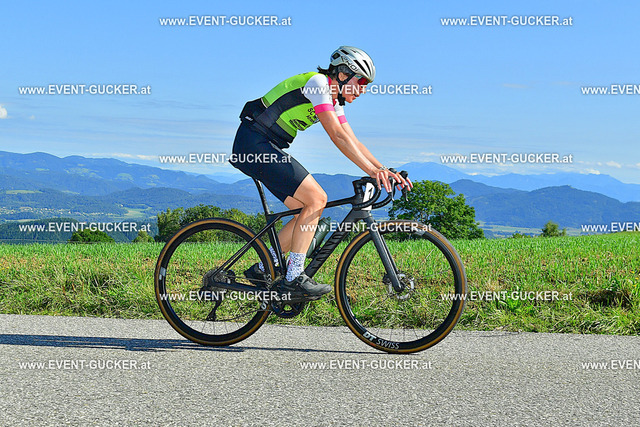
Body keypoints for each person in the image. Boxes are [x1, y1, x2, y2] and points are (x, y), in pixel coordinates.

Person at [230, 46, 411, 299]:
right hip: (254, 143)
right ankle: (294, 277)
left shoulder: (334, 101)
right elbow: (336, 135)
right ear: (343, 74)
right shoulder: (318, 84)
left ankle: (262, 268)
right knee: (317, 199)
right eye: (361, 82)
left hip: (265, 145)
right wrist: (371, 170)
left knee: (304, 211)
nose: (363, 90)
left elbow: (352, 140)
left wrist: (381, 169)